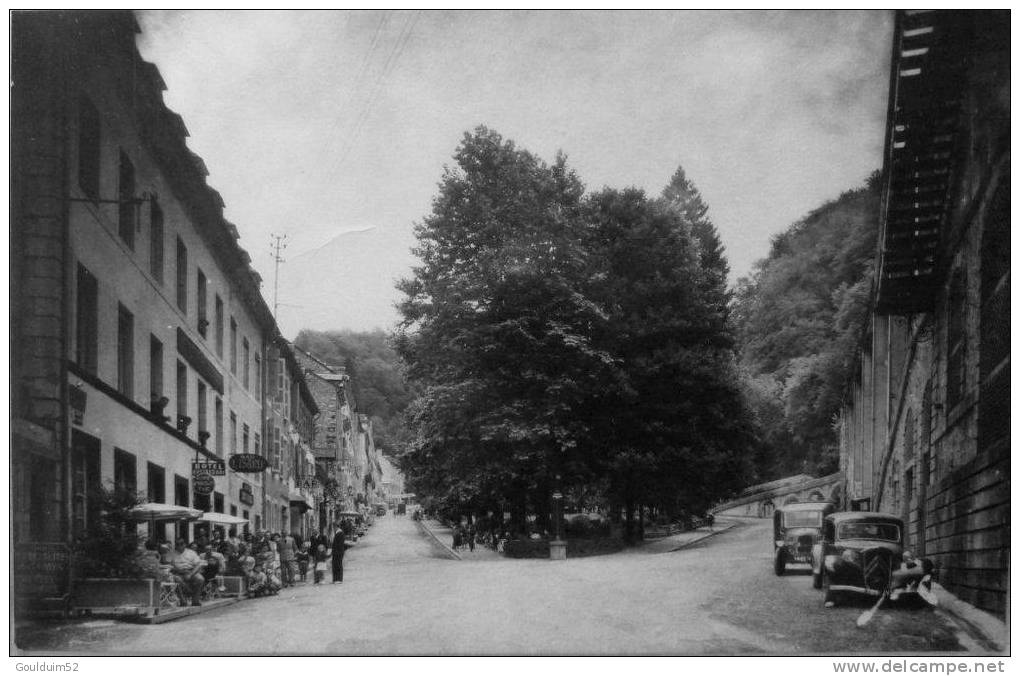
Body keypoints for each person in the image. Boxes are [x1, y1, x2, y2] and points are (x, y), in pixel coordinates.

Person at [168, 538, 206, 607]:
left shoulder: (191, 553)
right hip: (178, 573)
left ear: (184, 544)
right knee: (176, 579)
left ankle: (195, 601)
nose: (179, 546)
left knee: (200, 579)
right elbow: (169, 565)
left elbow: (198, 565)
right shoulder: (172, 554)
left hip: (190, 571)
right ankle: (183, 601)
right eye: (177, 544)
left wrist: (191, 574)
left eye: (181, 544)